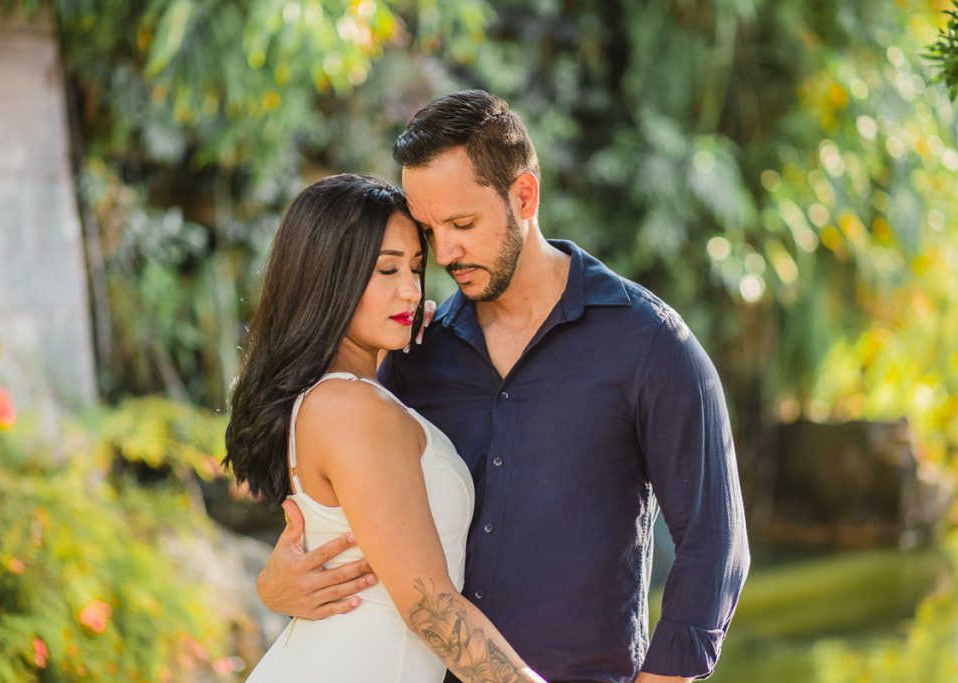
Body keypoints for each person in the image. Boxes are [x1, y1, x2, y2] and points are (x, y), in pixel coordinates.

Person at [257, 91, 751, 682]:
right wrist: (277, 582)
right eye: (429, 231)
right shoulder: (415, 351)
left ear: (524, 195)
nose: (444, 253)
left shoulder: (647, 345)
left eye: (462, 224)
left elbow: (714, 546)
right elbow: (360, 507)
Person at [223, 173, 547, 683]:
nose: (411, 289)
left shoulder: (342, 398)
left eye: (416, 268)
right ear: (329, 278)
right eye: (386, 269)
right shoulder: (351, 407)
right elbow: (430, 609)